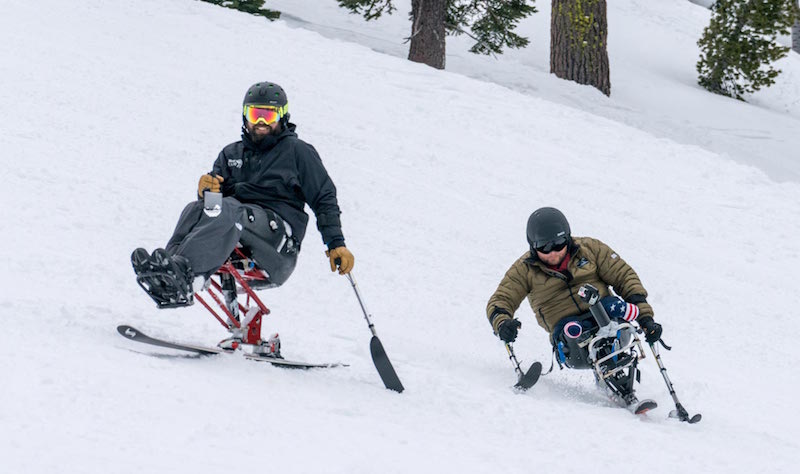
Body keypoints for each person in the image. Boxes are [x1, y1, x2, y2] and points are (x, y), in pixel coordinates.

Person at [131, 81, 354, 315]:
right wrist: (207, 192)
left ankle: (186, 271)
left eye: (268, 116)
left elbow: (324, 196)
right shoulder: (231, 154)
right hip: (239, 229)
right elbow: (212, 208)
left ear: (282, 116)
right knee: (195, 208)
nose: (260, 122)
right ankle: (169, 271)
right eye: (255, 114)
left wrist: (336, 243)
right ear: (244, 115)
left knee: (231, 208)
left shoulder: (297, 152)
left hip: (279, 244)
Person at [485, 207, 662, 409]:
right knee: (575, 330)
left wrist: (646, 318)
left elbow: (625, 276)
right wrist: (502, 323)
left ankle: (621, 384)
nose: (553, 253)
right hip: (570, 338)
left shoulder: (591, 249)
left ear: (568, 238)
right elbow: (500, 300)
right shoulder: (524, 270)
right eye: (545, 248)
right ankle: (606, 369)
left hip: (605, 314)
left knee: (610, 310)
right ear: (534, 248)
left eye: (559, 244)